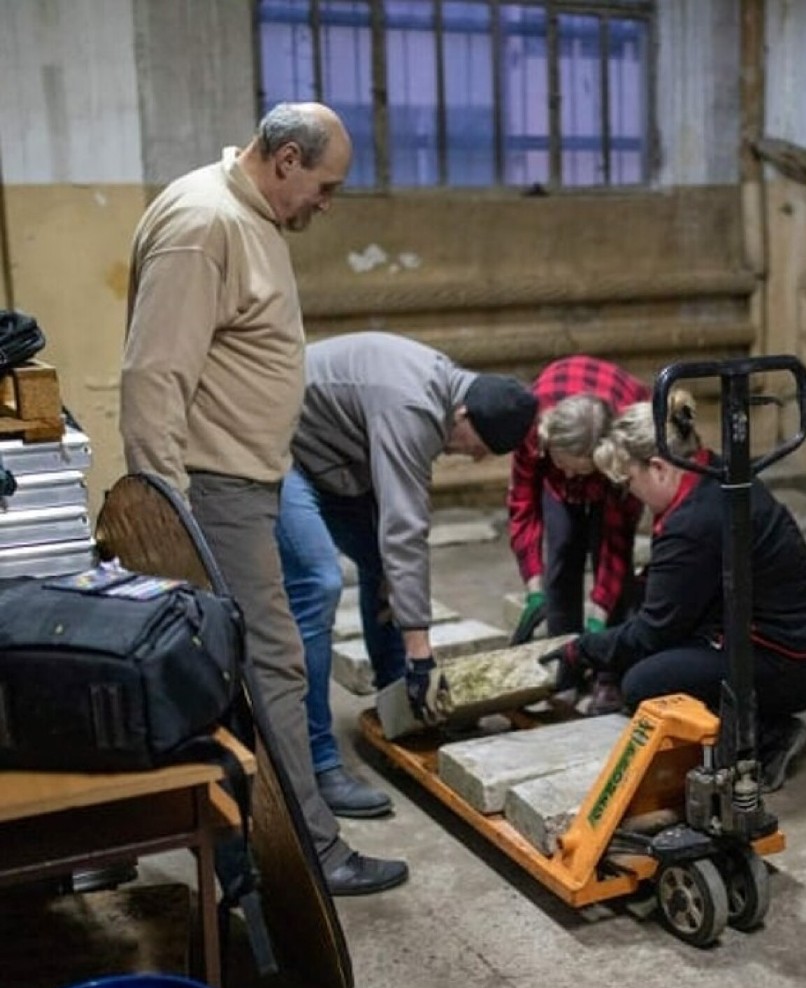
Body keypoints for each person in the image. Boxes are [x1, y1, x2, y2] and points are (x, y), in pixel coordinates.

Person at [120, 102, 408, 895]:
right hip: (214, 491)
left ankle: (281, 813)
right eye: (326, 184)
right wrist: (164, 522)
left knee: (291, 612)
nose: (327, 201)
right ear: (285, 158)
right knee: (271, 663)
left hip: (256, 479)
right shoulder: (204, 223)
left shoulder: (252, 219)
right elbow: (154, 377)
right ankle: (308, 853)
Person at [275, 331, 539, 817]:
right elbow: (404, 529)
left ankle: (403, 706)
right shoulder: (412, 408)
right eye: (478, 446)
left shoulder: (449, 391)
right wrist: (422, 653)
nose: (476, 458)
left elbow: (396, 548)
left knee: (383, 571)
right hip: (279, 445)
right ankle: (314, 764)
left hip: (334, 453)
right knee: (319, 582)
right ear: (462, 416)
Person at [540, 390, 806, 792]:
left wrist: (583, 650)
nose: (630, 492)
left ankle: (767, 734)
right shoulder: (713, 471)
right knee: (643, 599)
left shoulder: (693, 523)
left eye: (630, 479)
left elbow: (653, 631)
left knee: (643, 684)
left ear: (659, 468)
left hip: (798, 663)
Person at [507, 355, 649, 713]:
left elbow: (616, 544)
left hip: (611, 461)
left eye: (579, 472)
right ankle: (566, 668)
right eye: (564, 467)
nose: (571, 478)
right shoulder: (532, 427)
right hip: (566, 439)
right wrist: (533, 586)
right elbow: (522, 504)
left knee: (609, 556)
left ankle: (608, 673)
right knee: (562, 546)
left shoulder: (623, 451)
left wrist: (599, 616)